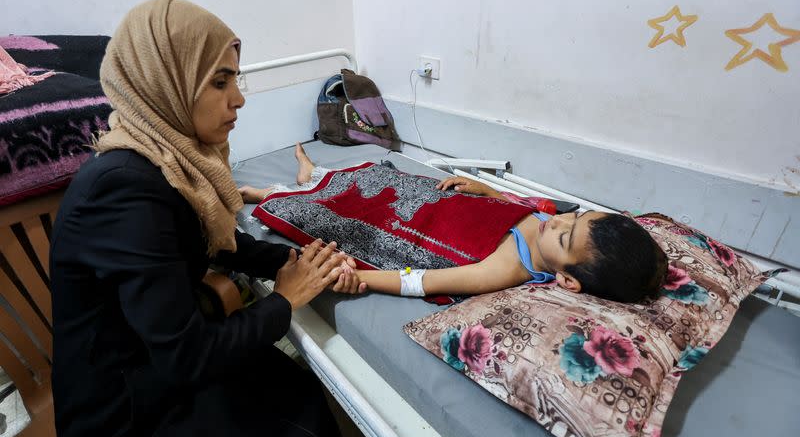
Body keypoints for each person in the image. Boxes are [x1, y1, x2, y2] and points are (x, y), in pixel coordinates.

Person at [50, 0, 357, 437]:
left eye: (236, 78)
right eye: (219, 81)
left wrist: (292, 261)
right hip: (125, 416)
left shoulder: (168, 162)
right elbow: (187, 357)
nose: (239, 98)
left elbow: (211, 242)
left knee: (294, 387)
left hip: (158, 366)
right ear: (164, 82)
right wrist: (285, 299)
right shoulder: (126, 192)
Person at [239, 143, 668, 304]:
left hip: (416, 226)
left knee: (342, 213)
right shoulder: (549, 222)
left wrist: (366, 278)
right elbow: (521, 212)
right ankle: (310, 176)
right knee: (378, 179)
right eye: (576, 214)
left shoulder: (507, 268)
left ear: (569, 280)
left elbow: (423, 280)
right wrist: (491, 195)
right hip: (436, 201)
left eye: (566, 234)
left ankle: (275, 193)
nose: (560, 220)